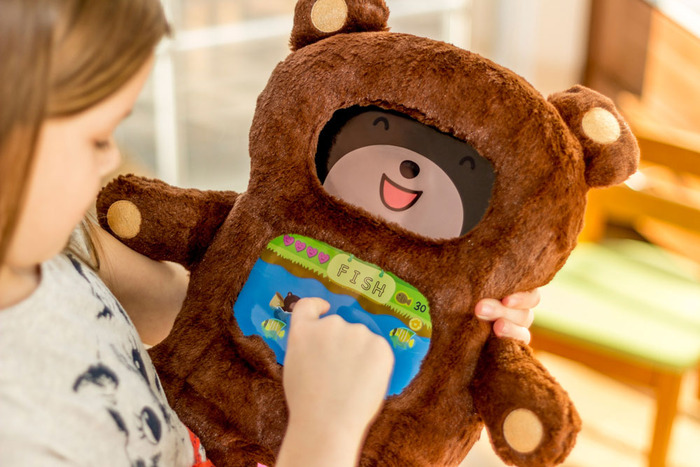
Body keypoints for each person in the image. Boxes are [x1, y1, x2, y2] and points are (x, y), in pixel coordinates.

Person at [0, 0, 538, 465]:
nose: (110, 158)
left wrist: (449, 331)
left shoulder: (56, 250)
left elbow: (195, 309)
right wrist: (326, 427)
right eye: (97, 137)